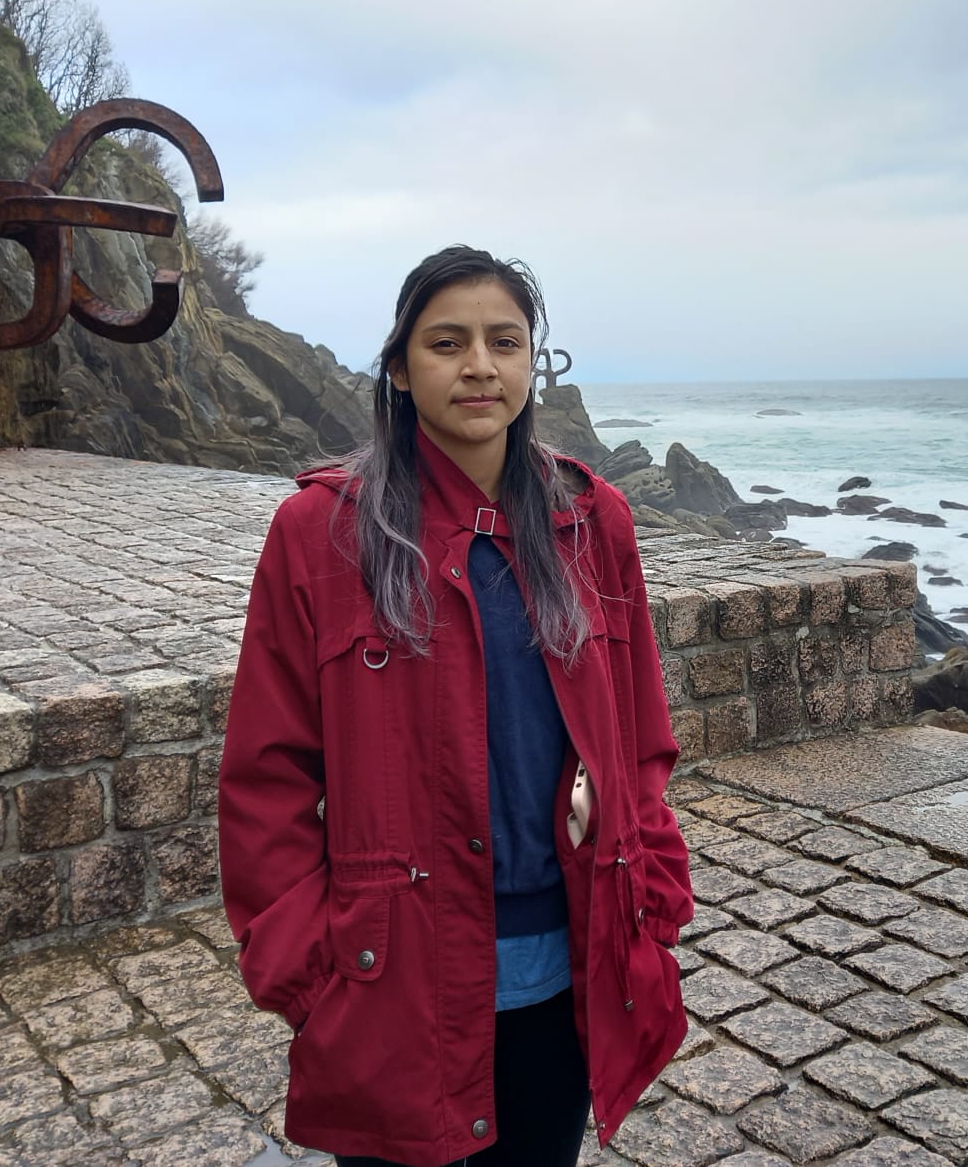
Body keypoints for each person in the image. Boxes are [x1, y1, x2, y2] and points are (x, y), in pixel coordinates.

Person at [218, 245, 693, 1167]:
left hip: (569, 963)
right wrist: (308, 974)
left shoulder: (595, 522)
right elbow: (267, 778)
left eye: (504, 342)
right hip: (392, 979)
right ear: (400, 368)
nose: (480, 366)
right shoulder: (320, 533)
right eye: (447, 343)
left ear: (532, 362)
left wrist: (656, 899)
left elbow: (641, 738)